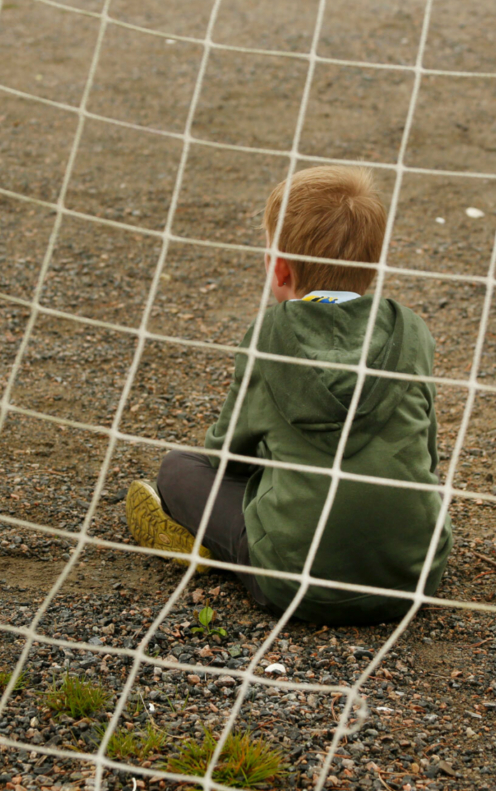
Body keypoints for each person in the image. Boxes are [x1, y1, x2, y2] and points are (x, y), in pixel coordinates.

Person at [124, 165, 453, 625]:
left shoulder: (269, 336)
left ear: (279, 268)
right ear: (373, 267)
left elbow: (227, 457)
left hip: (294, 583)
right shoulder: (411, 331)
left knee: (180, 468)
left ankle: (210, 546)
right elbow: (428, 450)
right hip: (414, 576)